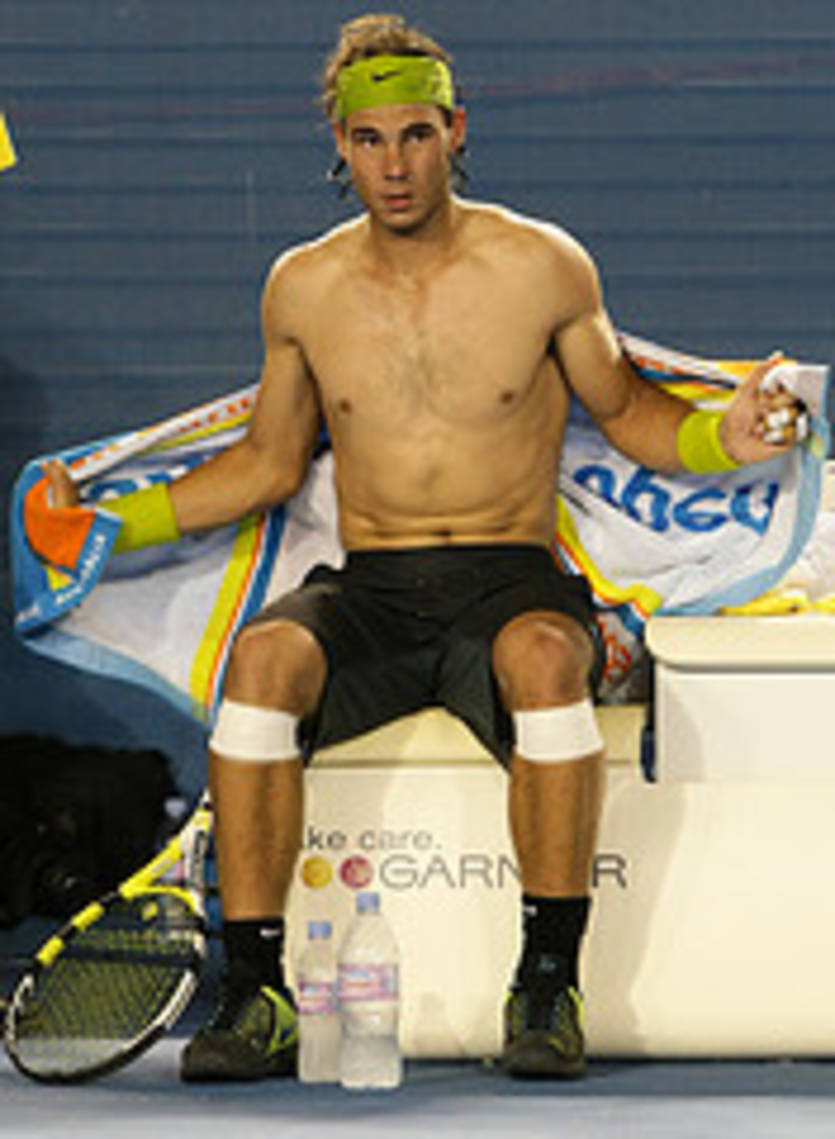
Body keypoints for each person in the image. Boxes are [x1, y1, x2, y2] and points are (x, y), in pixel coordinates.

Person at [44, 12, 805, 1081]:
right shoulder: (301, 286)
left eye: (414, 135)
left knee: (543, 659)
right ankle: (256, 992)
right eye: (369, 140)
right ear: (340, 145)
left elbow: (627, 411)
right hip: (375, 588)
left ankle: (547, 981)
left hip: (510, 578)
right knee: (261, 663)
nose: (393, 165)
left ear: (455, 130)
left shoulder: (543, 264)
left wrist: (725, 437)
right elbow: (266, 464)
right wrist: (109, 524)